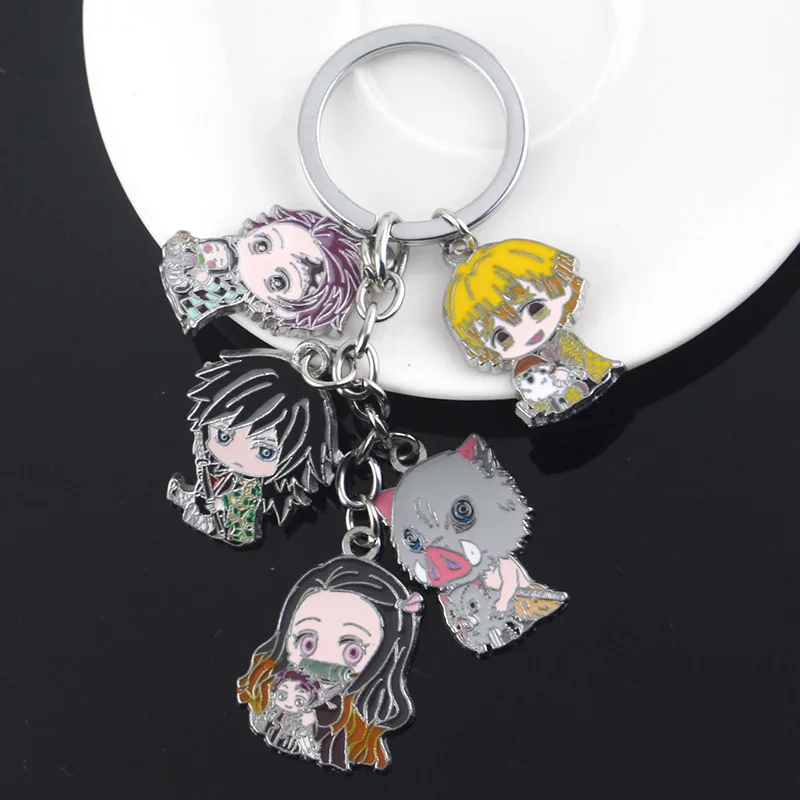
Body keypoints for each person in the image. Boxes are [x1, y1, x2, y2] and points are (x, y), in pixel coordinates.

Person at [237, 557, 422, 770]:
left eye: (352, 652)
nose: (322, 661)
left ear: (382, 660)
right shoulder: (270, 693)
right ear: (286, 638)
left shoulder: (354, 734)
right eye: (307, 643)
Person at [444, 238, 624, 424]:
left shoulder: (565, 341)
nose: (526, 331)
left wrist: (585, 374)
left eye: (536, 309)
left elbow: (592, 365)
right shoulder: (522, 372)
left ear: (560, 285)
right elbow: (538, 401)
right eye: (503, 337)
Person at [166, 351, 337, 544]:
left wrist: (221, 503)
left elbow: (244, 499)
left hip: (235, 524)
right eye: (224, 436)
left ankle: (215, 523)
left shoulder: (252, 488)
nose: (237, 456)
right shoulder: (216, 467)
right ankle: (191, 501)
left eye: (265, 452)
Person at [160, 205, 361, 334]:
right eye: (262, 245)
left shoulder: (225, 294)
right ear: (256, 229)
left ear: (282, 311)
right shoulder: (217, 249)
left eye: (278, 281)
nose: (254, 262)